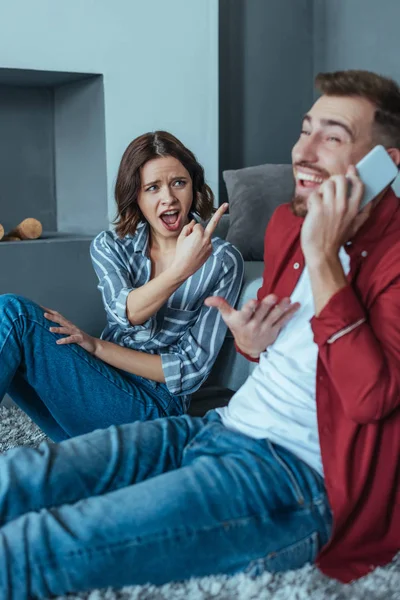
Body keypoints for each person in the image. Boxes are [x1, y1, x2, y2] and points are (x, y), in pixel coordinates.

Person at [0, 69, 400, 599]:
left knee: (39, 543)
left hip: (291, 478)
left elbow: (370, 397)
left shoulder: (345, 253)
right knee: (21, 474)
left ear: (386, 164)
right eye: (305, 130)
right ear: (135, 198)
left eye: (332, 137)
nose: (303, 151)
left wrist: (324, 253)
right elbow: (282, 356)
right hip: (216, 427)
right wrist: (252, 345)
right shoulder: (286, 224)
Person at [0, 131, 243, 441]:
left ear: (193, 187)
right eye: (152, 188)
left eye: (178, 183)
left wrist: (98, 345)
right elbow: (125, 314)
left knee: (15, 315)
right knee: (13, 318)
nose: (168, 197)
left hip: (154, 408)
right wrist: (180, 272)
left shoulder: (222, 259)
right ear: (136, 197)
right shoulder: (111, 246)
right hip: (100, 383)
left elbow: (191, 370)